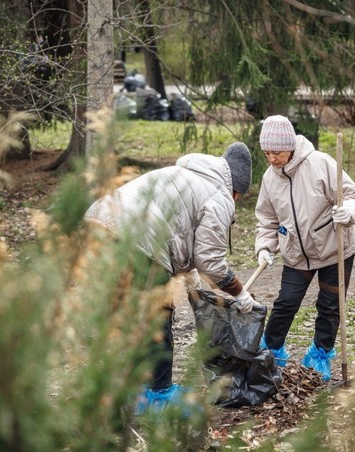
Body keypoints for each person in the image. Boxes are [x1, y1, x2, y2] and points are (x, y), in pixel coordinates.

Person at [84, 142, 261, 414]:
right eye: (238, 196)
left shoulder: (187, 175)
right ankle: (158, 394)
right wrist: (239, 293)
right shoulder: (219, 196)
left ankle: (120, 386)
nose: (236, 201)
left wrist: (193, 284)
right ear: (236, 189)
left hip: (99, 222)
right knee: (158, 313)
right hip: (137, 240)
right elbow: (210, 260)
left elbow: (182, 236)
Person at [253, 115, 355, 381]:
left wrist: (347, 212)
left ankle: (320, 354)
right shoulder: (270, 179)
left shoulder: (320, 164)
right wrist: (264, 247)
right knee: (285, 303)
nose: (272, 158)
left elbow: (353, 196)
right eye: (267, 153)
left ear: (291, 146)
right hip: (295, 253)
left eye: (277, 152)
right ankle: (272, 349)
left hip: (333, 248)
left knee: (330, 306)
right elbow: (267, 219)